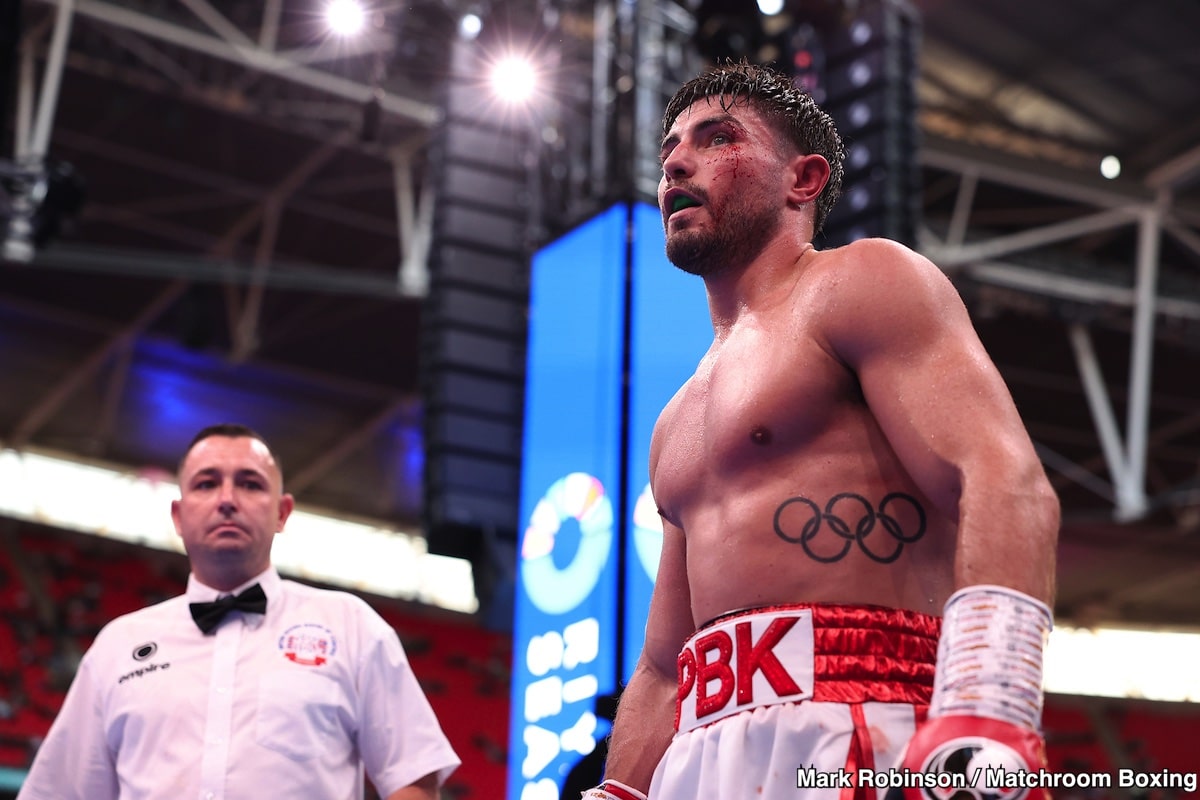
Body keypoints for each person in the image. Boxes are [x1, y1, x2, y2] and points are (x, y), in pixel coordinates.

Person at [582, 63, 1060, 800]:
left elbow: (1000, 480)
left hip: (869, 713)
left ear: (801, 179)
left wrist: (991, 699)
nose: (676, 161)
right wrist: (618, 792)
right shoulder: (675, 420)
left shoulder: (863, 281)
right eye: (670, 148)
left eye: (717, 139)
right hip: (700, 756)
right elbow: (663, 664)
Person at [18, 423, 460, 800]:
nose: (227, 499)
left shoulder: (351, 626)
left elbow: (412, 776)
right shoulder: (119, 646)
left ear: (282, 512)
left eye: (250, 484)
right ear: (179, 514)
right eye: (207, 483)